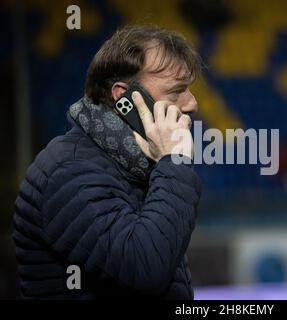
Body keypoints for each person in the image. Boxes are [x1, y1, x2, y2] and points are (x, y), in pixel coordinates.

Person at [12, 25, 202, 299]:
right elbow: (145, 268)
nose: (192, 103)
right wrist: (174, 162)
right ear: (123, 98)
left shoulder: (135, 164)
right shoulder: (69, 170)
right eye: (176, 91)